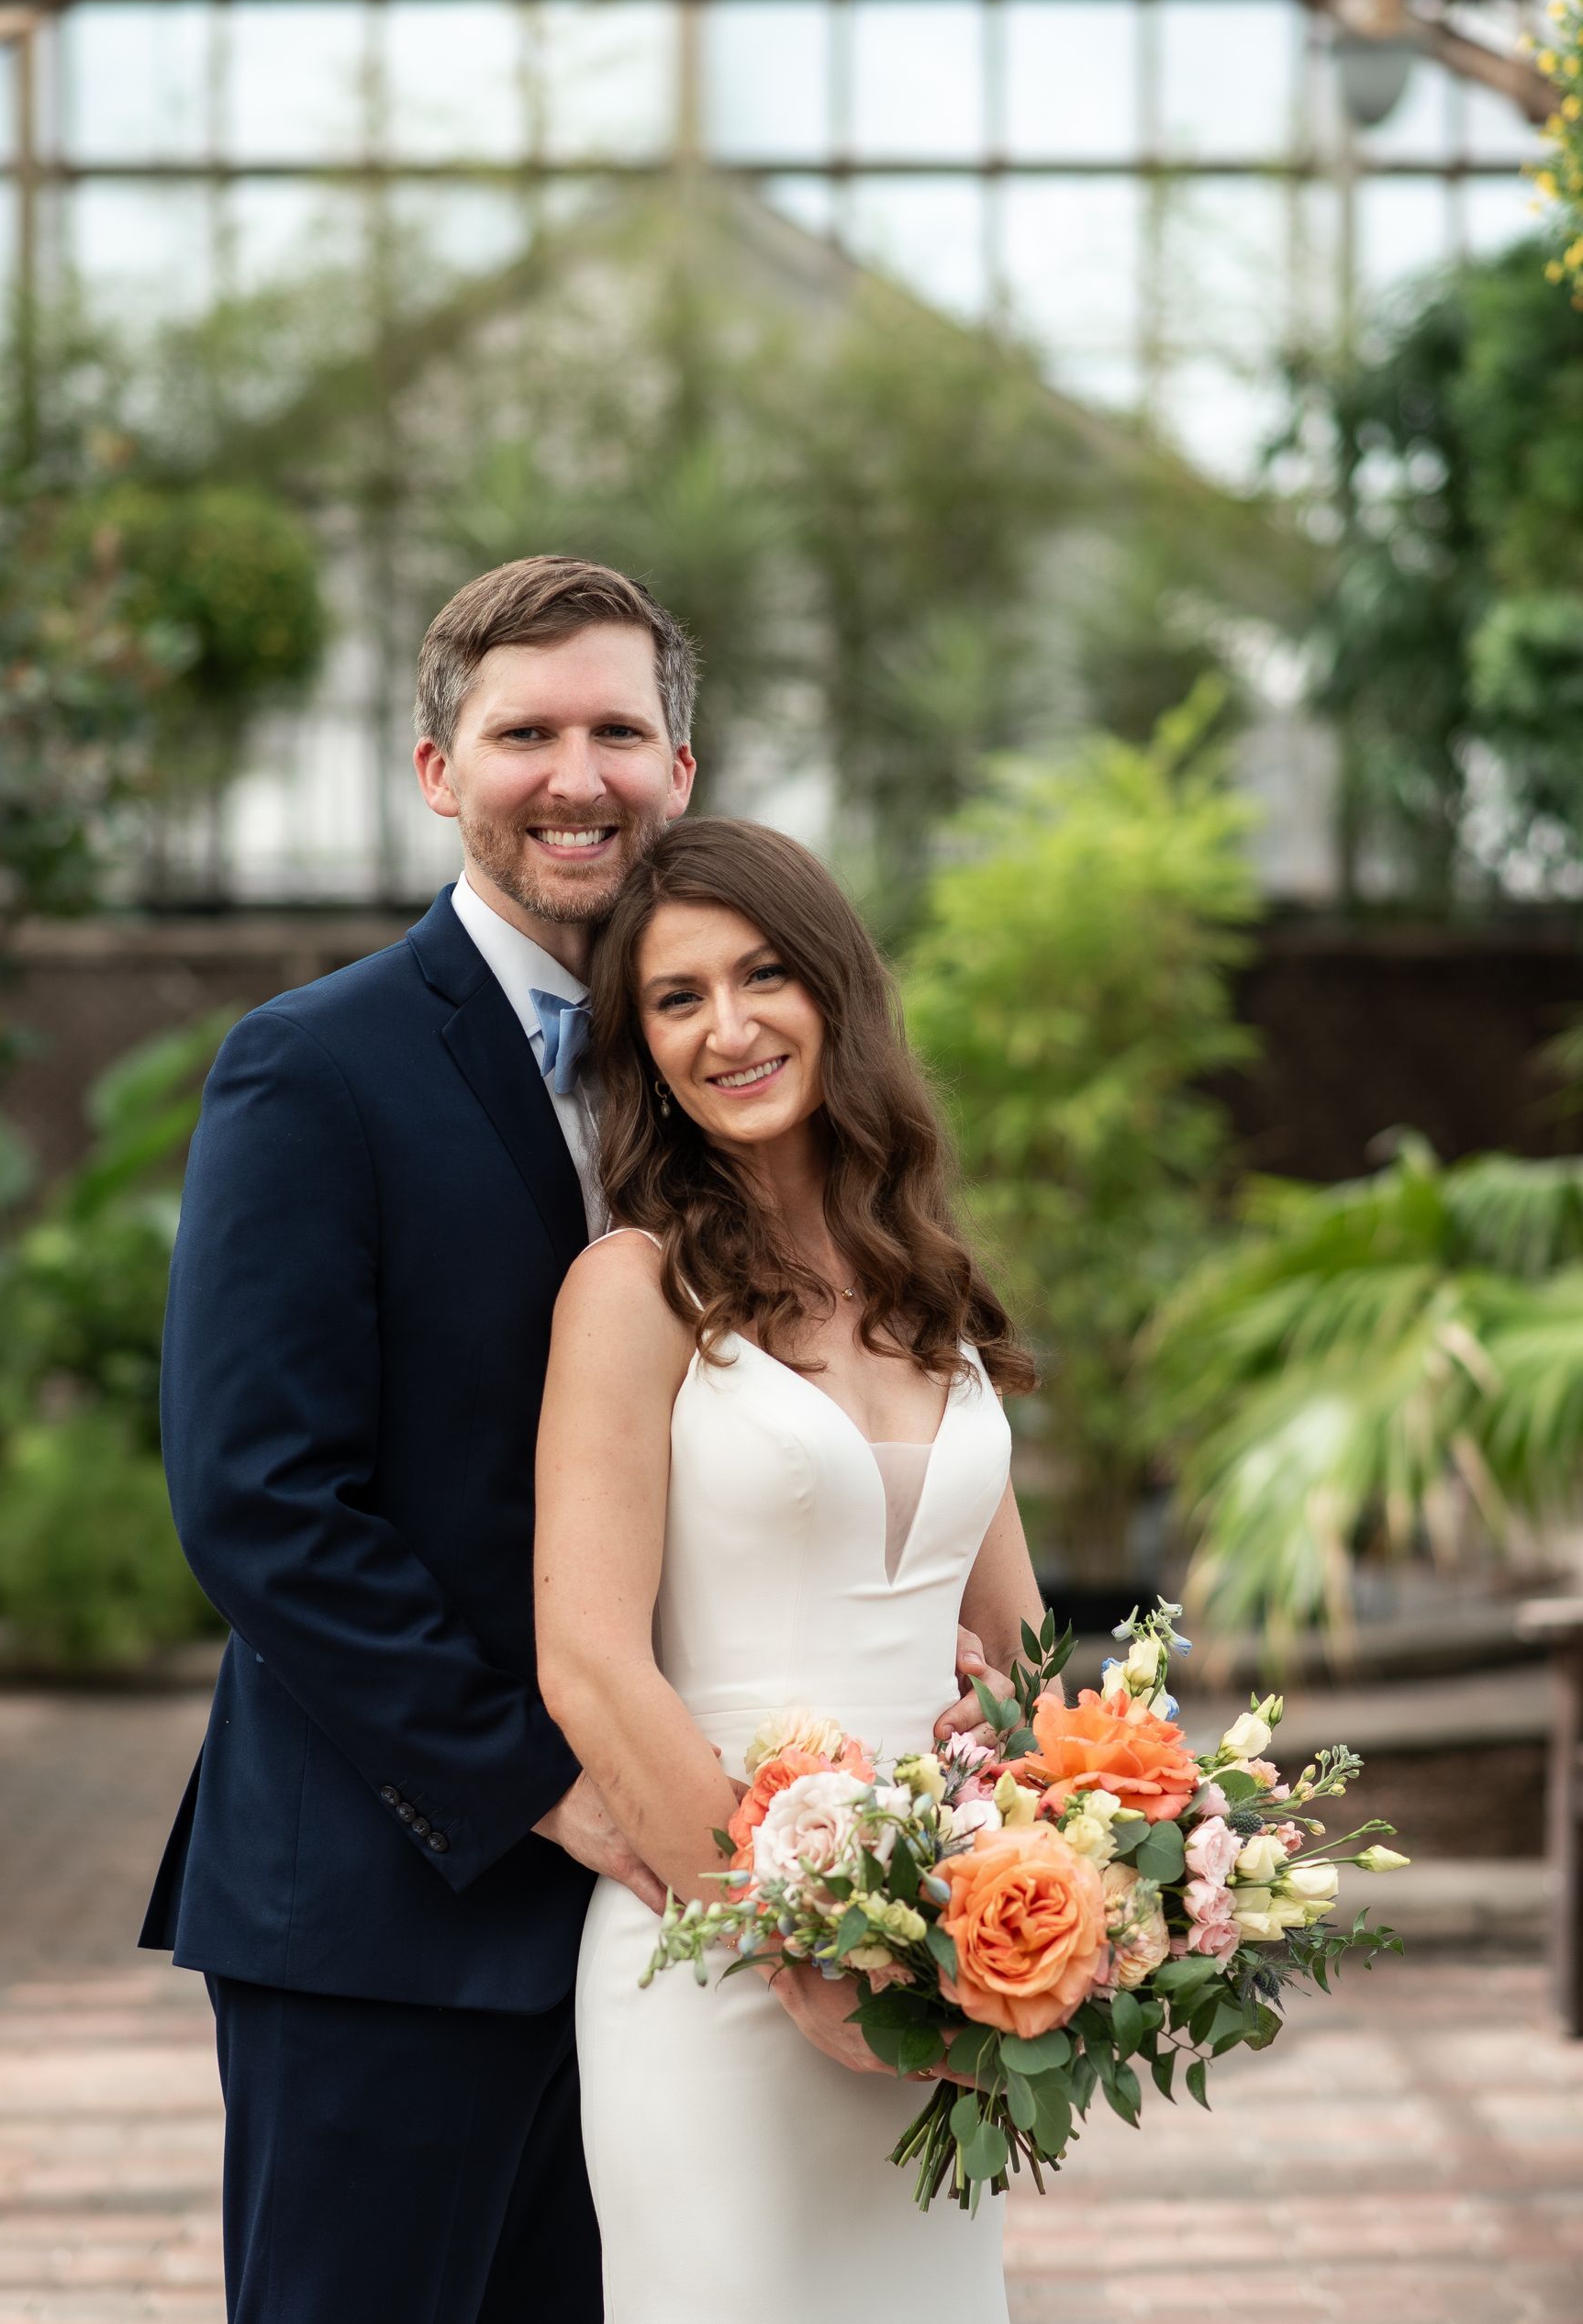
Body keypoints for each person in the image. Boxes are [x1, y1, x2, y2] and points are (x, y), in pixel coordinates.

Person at [139, 556, 701, 2324]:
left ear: (681, 772)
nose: (577, 774)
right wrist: (543, 1781)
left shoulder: (720, 1074)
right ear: (437, 771)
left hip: (665, 1931)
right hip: (389, 1912)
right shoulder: (313, 1067)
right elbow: (261, 1500)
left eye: (619, 728)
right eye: (524, 731)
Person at [534, 817, 1045, 2318]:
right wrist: (802, 1960)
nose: (729, 1027)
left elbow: (1017, 1651)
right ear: (641, 1045)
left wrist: (1030, 1860)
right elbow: (590, 1660)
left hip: (941, 1958)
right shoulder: (633, 1291)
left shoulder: (928, 1286)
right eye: (677, 998)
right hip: (721, 1969)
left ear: (836, 991)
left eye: (763, 975)